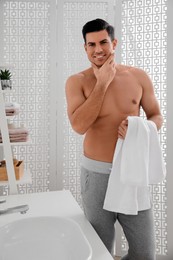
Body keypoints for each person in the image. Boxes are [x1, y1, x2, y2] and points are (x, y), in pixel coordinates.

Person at [65, 18, 163, 260]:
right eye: (91, 44)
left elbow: (156, 115)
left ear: (114, 43)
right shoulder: (77, 81)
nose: (98, 50)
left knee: (144, 252)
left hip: (132, 170)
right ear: (84, 47)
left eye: (103, 42)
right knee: (100, 249)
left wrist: (142, 128)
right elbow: (79, 126)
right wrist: (103, 82)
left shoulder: (138, 76)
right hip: (96, 173)